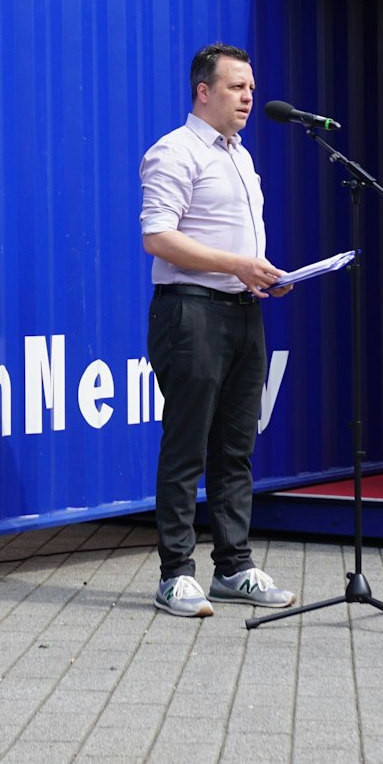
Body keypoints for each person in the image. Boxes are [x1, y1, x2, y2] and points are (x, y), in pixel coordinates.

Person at [138, 43, 298, 618]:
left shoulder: (241, 157)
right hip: (191, 313)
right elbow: (158, 237)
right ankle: (175, 576)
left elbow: (232, 240)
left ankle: (233, 567)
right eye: (236, 87)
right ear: (203, 92)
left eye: (251, 87)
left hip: (242, 310)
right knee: (187, 446)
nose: (249, 97)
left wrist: (262, 274)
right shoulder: (174, 152)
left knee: (236, 446)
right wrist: (236, 265)